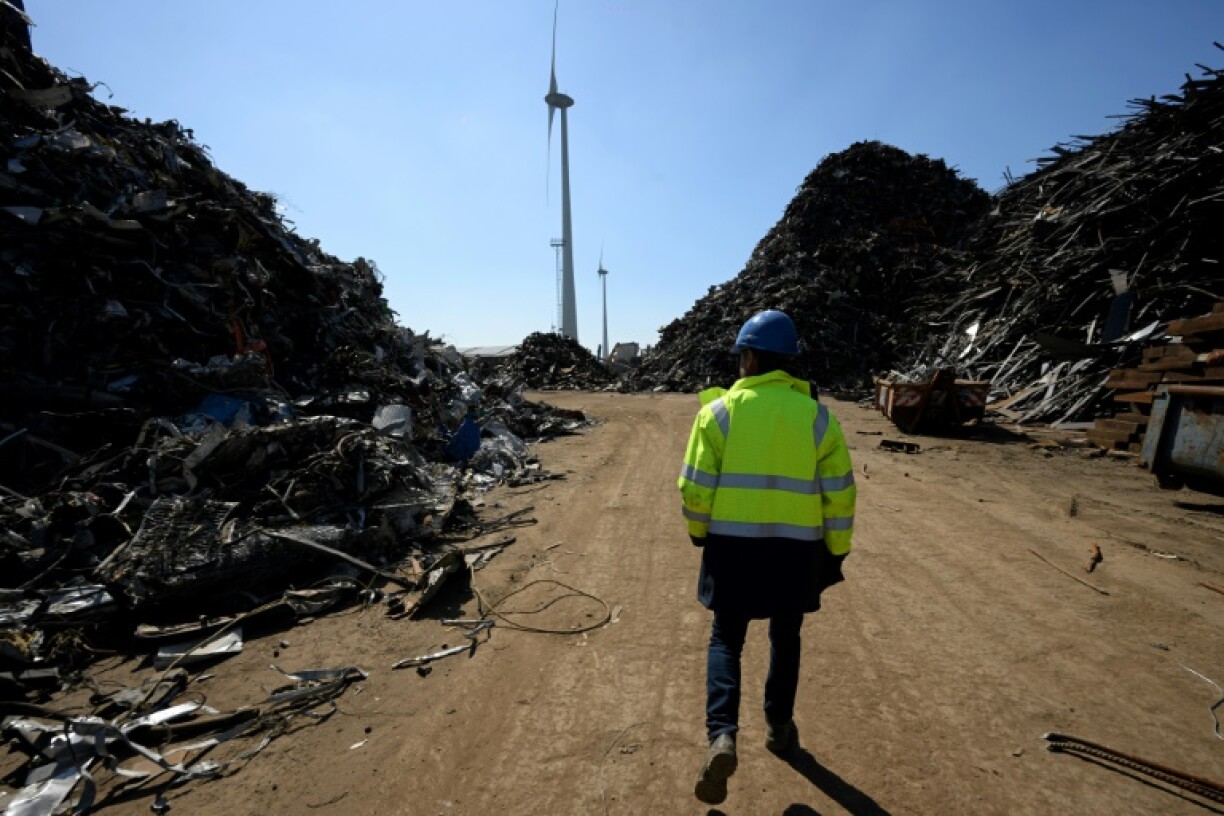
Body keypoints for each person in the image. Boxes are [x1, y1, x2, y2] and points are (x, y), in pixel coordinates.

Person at [677, 309, 856, 805]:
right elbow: (840, 494)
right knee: (786, 635)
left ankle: (722, 735)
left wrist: (700, 535)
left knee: (726, 639)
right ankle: (779, 728)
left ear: (751, 358)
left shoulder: (716, 415)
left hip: (731, 548)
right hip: (795, 552)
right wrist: (835, 551)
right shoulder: (818, 417)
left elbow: (694, 488)